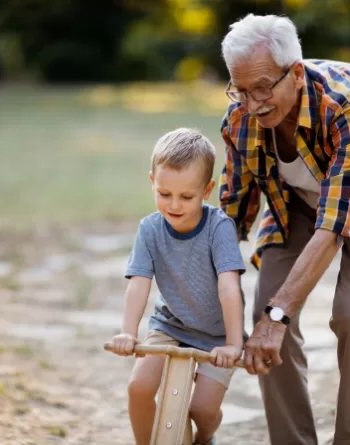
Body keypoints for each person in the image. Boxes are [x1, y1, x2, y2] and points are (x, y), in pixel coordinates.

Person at [217, 14, 350, 445]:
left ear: (295, 74)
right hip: (297, 204)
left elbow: (335, 224)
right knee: (265, 309)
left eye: (263, 87)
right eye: (240, 90)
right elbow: (232, 212)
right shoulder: (240, 120)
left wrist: (278, 316)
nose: (253, 103)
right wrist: (204, 284)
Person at [109, 127, 248, 445]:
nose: (174, 205)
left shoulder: (219, 228)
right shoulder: (149, 229)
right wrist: (129, 332)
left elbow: (230, 288)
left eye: (187, 196)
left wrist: (233, 343)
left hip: (215, 334)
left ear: (207, 189)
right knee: (139, 387)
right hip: (170, 325)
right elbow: (139, 284)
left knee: (202, 409)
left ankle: (204, 438)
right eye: (164, 193)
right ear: (152, 183)